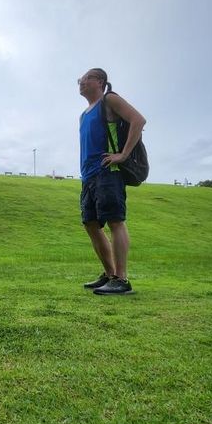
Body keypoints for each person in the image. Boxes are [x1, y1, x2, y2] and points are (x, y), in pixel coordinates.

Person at [78, 68, 146, 295]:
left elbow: (138, 119)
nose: (80, 81)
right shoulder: (83, 114)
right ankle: (109, 275)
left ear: (99, 81)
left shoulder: (109, 99)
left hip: (109, 171)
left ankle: (121, 279)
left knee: (115, 221)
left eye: (85, 78)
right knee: (91, 225)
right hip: (88, 177)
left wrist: (123, 154)